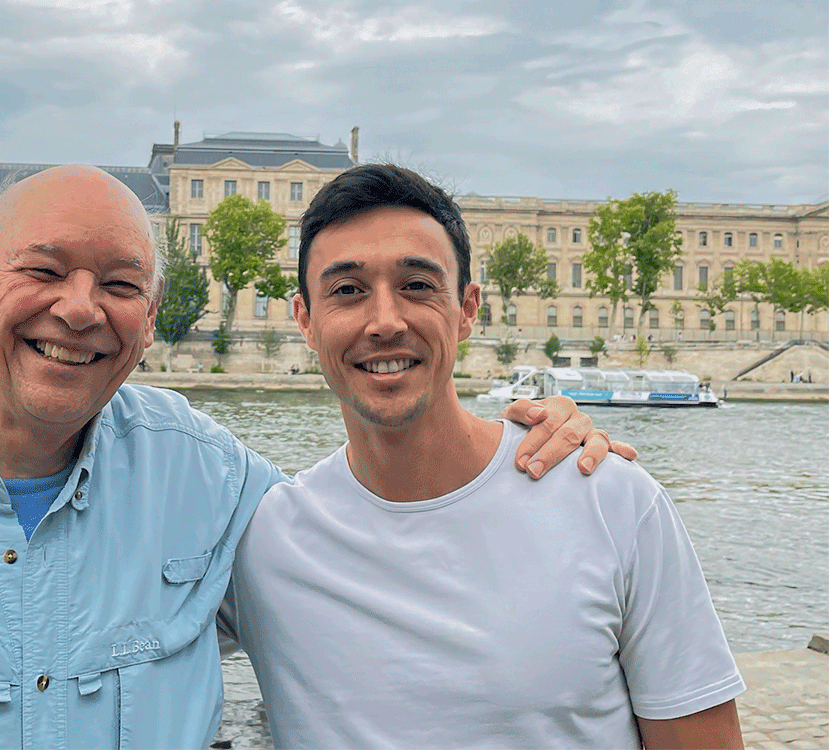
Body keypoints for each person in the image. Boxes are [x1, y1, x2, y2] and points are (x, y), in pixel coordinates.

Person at [0, 165, 625, 749]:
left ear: (147, 325)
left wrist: (526, 452)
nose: (81, 308)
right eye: (45, 271)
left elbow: (392, 526)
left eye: (121, 284)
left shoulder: (211, 484)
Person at [221, 164, 744, 748]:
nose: (385, 321)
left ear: (468, 309)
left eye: (418, 286)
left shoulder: (613, 500)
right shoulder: (261, 540)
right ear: (306, 321)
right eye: (347, 291)